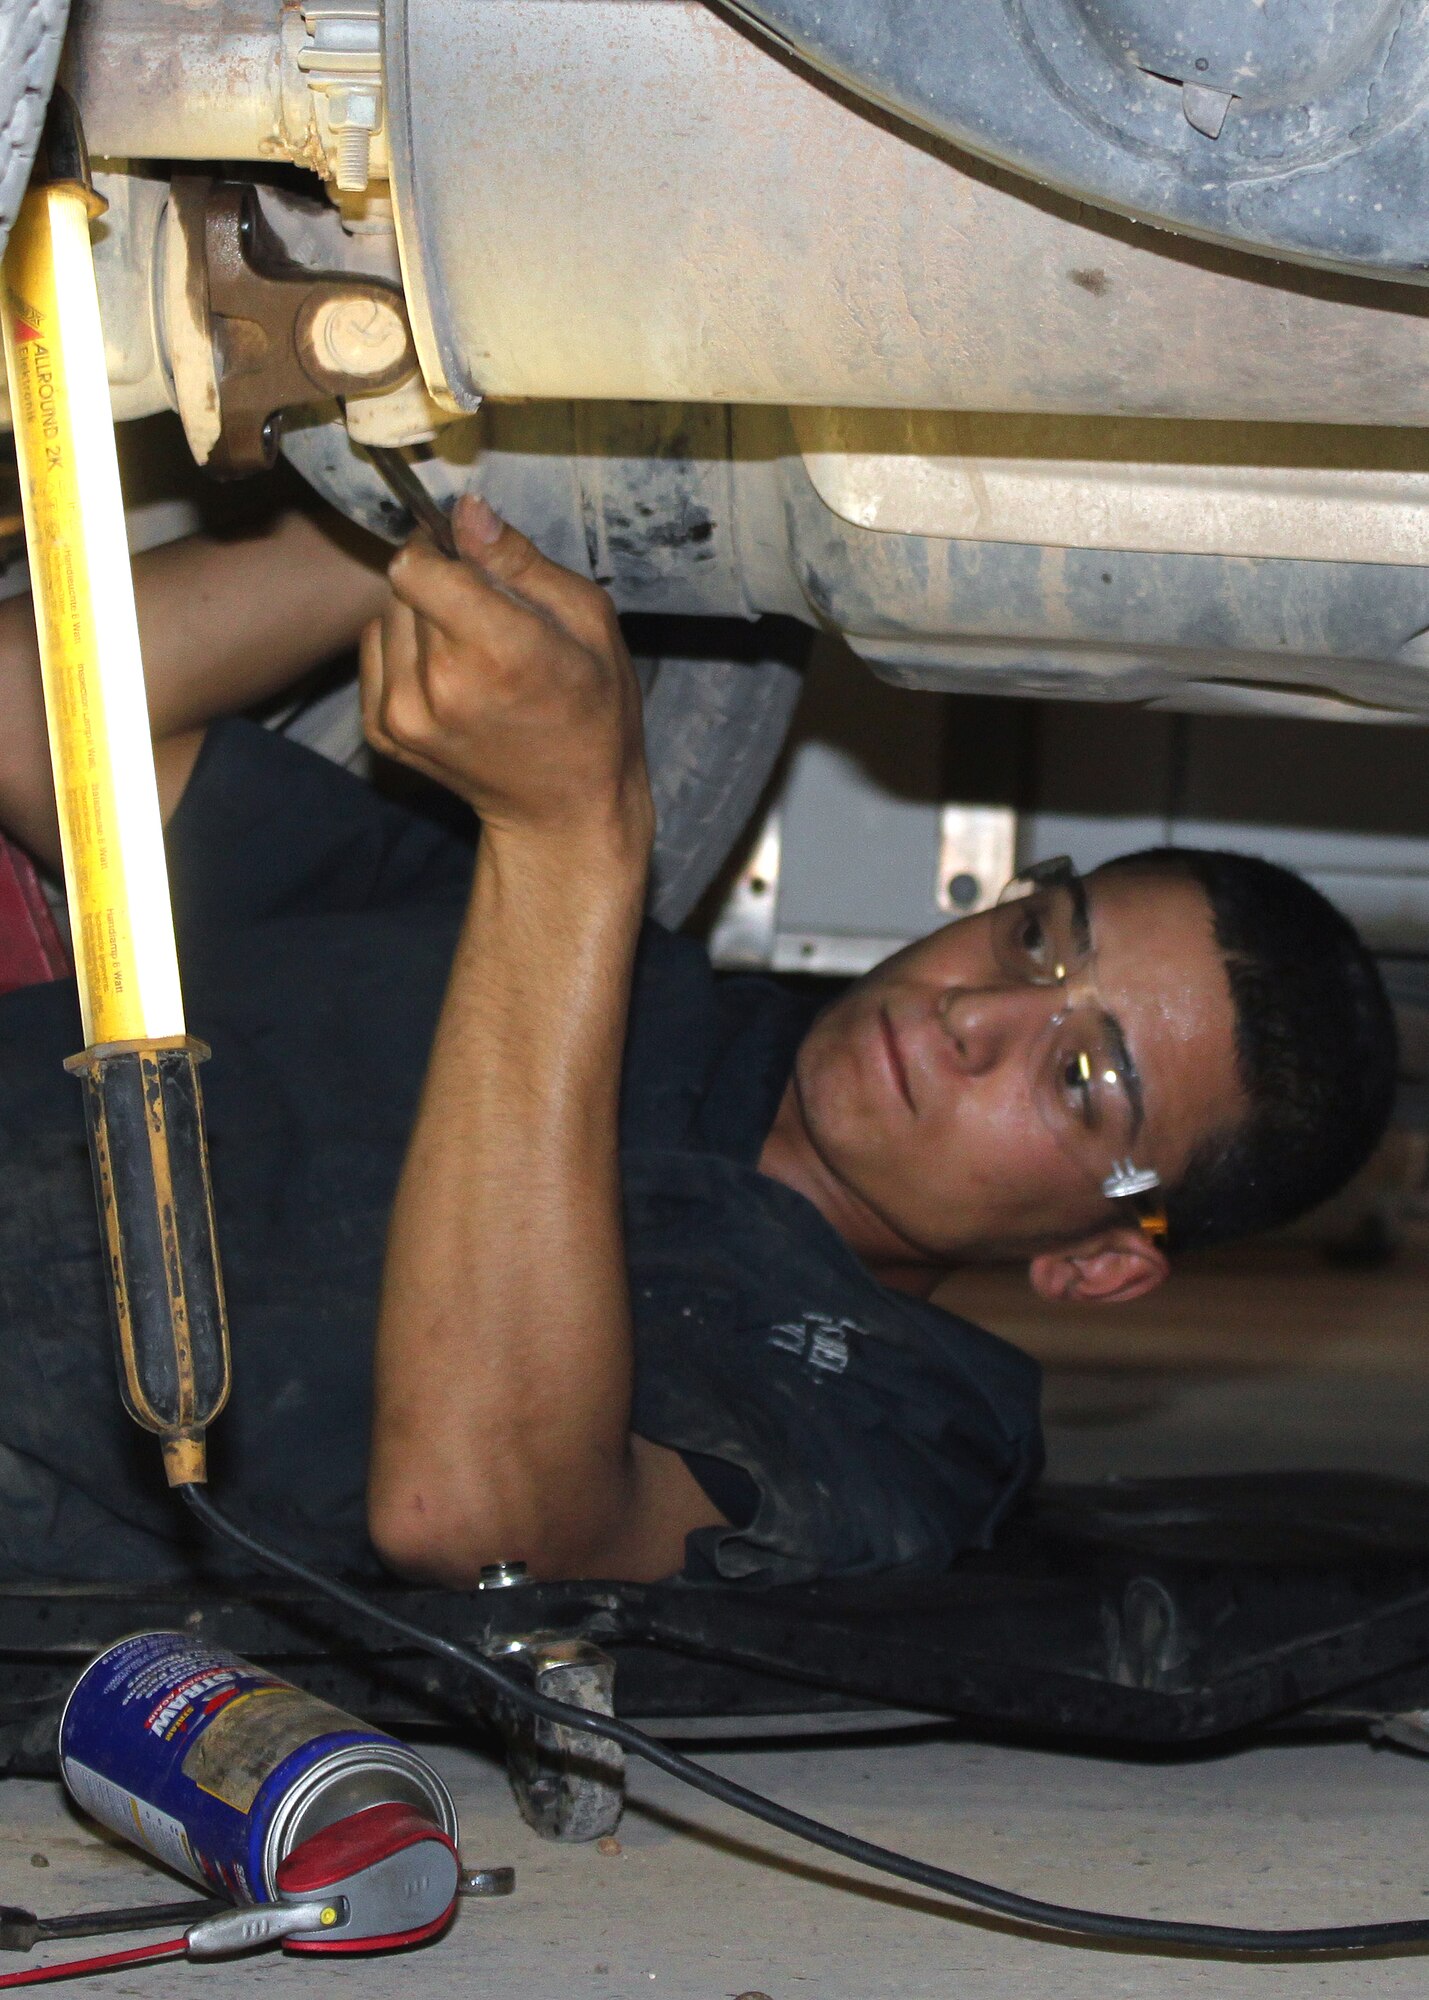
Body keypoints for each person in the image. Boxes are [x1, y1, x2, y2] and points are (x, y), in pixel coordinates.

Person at [0, 494, 1398, 1589]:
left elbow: (475, 1520)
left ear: (1097, 1258)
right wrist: (436, 526)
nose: (977, 1016)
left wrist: (568, 837)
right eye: (1038, 942)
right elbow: (25, 706)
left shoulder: (907, 1423)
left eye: (1082, 1079)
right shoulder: (607, 969)